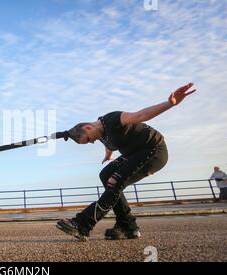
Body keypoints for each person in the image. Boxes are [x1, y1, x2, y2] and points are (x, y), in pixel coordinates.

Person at [55, 83, 197, 241]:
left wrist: (169, 103)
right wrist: (108, 156)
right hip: (134, 154)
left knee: (115, 181)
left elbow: (141, 115)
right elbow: (109, 145)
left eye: (88, 140)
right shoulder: (101, 135)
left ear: (88, 127)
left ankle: (83, 224)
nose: (92, 142)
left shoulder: (112, 119)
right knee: (106, 174)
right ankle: (127, 226)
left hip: (153, 150)